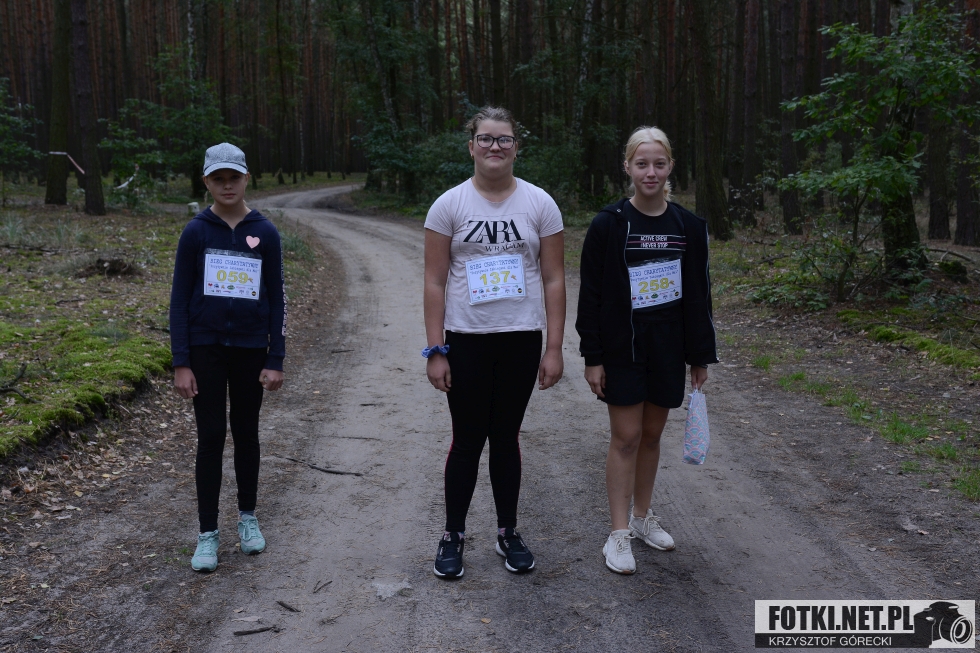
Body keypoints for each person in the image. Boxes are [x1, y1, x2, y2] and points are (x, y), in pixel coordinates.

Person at [423, 106, 566, 579]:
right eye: (485, 138)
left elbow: (554, 278)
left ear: (516, 148)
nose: (494, 147)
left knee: (505, 438)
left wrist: (553, 347)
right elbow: (434, 281)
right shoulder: (449, 205)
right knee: (467, 440)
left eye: (504, 139)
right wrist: (435, 349)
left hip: (521, 339)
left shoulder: (540, 204)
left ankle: (508, 532)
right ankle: (453, 535)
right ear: (471, 147)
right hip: (466, 340)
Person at [575, 126, 717, 575]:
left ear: (670, 166)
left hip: (668, 347)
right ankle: (618, 534)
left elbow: (699, 295)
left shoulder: (688, 226)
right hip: (623, 347)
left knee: (652, 436)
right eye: (642, 164)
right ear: (628, 167)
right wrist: (593, 356)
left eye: (658, 164)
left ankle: (641, 518)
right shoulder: (609, 223)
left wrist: (699, 356)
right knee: (627, 437)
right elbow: (591, 295)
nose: (650, 172)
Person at [170, 142, 287, 572]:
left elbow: (278, 298)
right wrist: (181, 361)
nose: (226, 186)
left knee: (246, 432)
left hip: (251, 348)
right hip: (206, 349)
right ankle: (207, 534)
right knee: (211, 436)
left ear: (246, 178)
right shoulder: (196, 232)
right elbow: (179, 299)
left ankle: (247, 518)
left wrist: (275, 357)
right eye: (217, 179)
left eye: (233, 177)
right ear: (206, 182)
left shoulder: (265, 233)